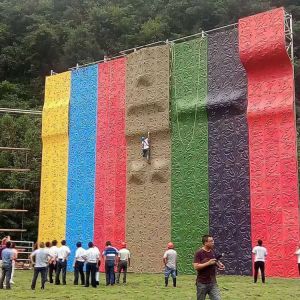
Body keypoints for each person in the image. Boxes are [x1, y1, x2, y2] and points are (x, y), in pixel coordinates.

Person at [193, 235, 225, 300]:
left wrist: (219, 265)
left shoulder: (213, 251)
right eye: (211, 241)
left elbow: (216, 260)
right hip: (202, 283)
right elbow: (196, 266)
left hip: (213, 282)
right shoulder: (199, 253)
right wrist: (208, 263)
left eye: (213, 241)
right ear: (205, 243)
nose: (213, 242)